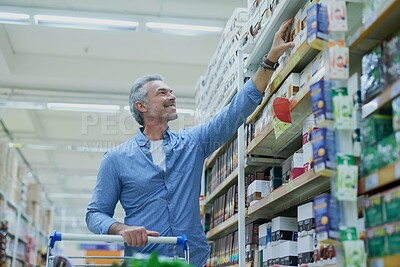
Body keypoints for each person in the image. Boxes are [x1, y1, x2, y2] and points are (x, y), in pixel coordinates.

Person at [86, 18, 295, 267]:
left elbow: (235, 112)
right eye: (162, 93)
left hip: (190, 259)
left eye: (171, 91)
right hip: (145, 261)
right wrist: (120, 228)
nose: (172, 96)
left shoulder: (191, 143)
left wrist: (270, 60)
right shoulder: (116, 159)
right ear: (141, 106)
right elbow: (95, 213)